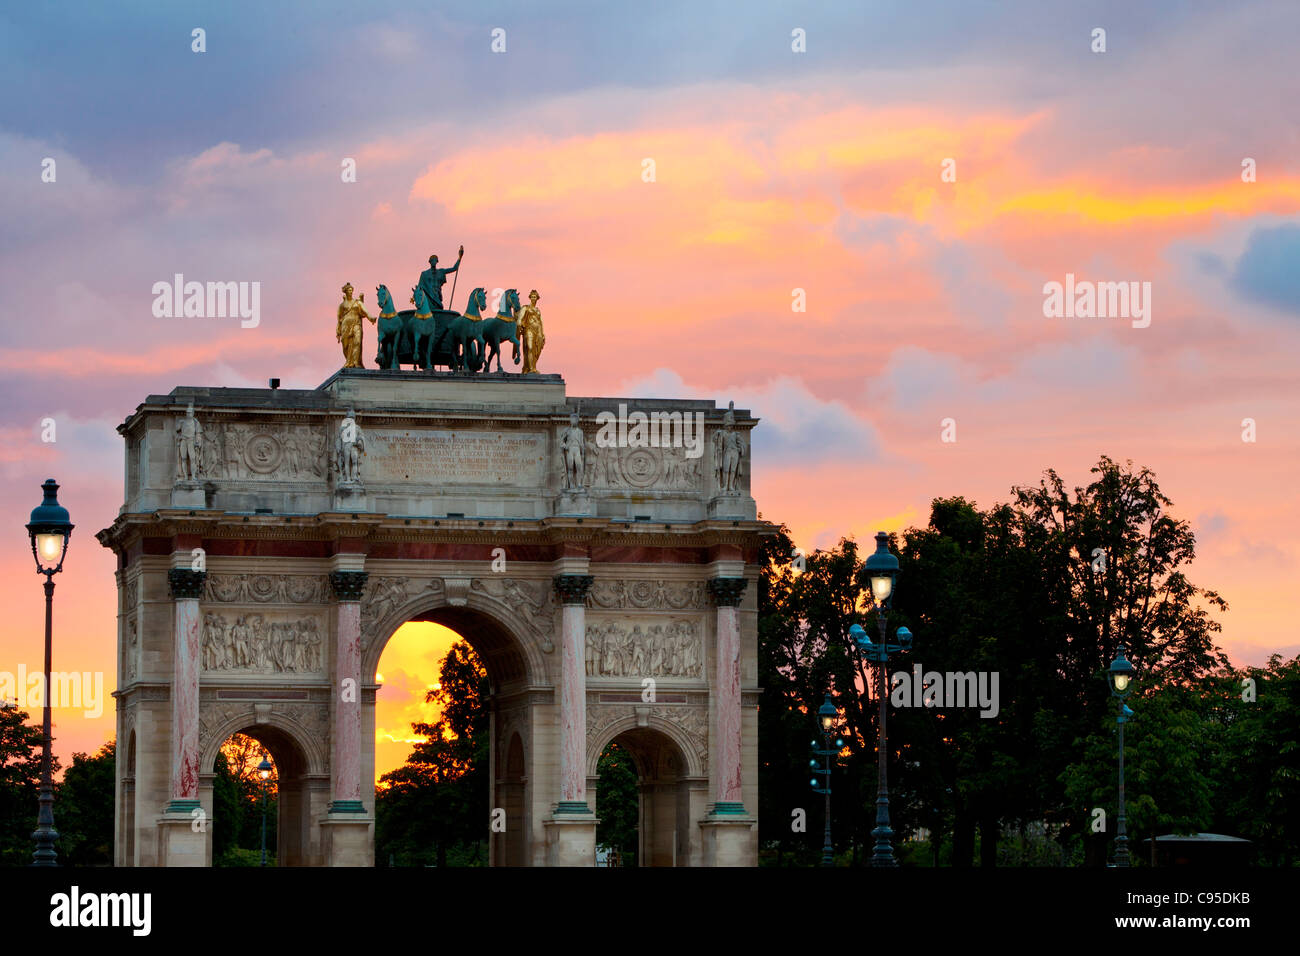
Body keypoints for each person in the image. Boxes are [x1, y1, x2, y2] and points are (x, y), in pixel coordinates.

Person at [336, 282, 373, 368]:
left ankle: (356, 362)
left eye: (351, 290)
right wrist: (338, 331)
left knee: (357, 342)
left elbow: (365, 311)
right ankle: (349, 361)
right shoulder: (342, 305)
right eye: (349, 290)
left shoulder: (357, 302)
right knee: (345, 345)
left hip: (356, 324)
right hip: (345, 326)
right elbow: (339, 319)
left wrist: (371, 318)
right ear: (345, 291)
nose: (351, 291)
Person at [417, 246, 463, 311]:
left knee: (439, 309)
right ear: (430, 262)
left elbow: (454, 268)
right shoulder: (424, 274)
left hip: (437, 295)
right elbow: (420, 287)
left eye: (435, 260)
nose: (433, 262)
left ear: (437, 262)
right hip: (428, 295)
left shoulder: (441, 272)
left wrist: (459, 258)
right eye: (432, 260)